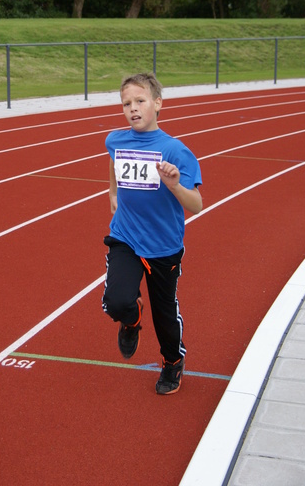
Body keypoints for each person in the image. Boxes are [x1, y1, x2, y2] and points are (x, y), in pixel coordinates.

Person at [102, 73, 202, 395]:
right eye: (126, 103)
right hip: (126, 237)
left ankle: (172, 361)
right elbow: (114, 163)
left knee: (165, 317)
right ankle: (131, 320)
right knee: (116, 301)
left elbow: (197, 205)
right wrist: (113, 192)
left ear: (158, 104)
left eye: (140, 101)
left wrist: (174, 186)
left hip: (163, 246)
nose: (133, 109)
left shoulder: (175, 151)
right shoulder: (115, 140)